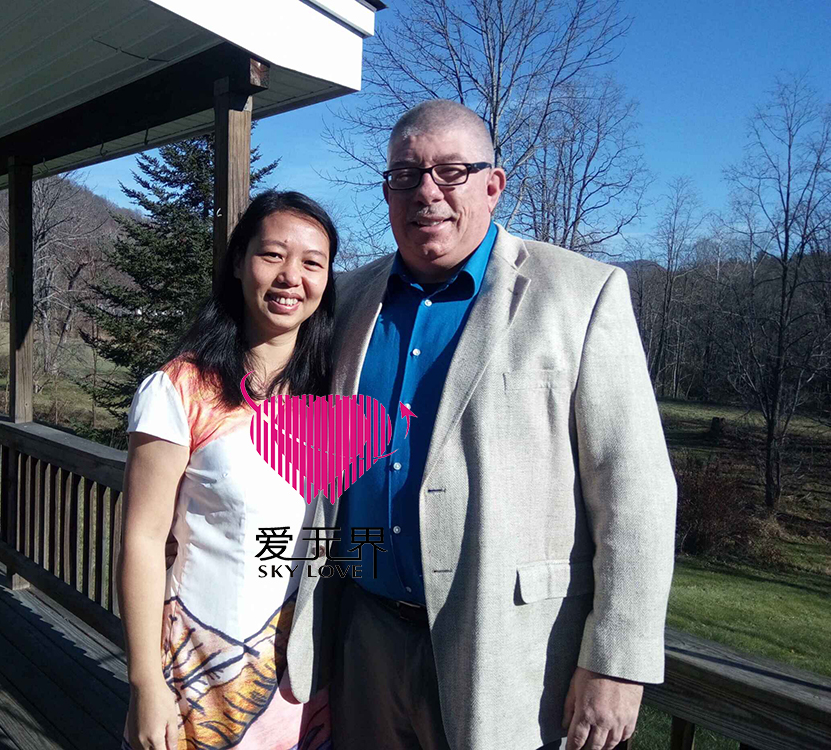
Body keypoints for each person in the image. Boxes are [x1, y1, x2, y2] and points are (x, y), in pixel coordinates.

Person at [285, 99, 677, 750]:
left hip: (506, 648)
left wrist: (617, 662)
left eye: (451, 172)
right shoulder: (345, 299)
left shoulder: (581, 294)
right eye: (406, 174)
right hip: (362, 639)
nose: (426, 192)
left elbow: (636, 491)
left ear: (493, 185)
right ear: (386, 191)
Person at [118, 190, 339, 750]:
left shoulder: (334, 393)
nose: (291, 277)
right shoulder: (180, 389)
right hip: (200, 675)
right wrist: (145, 683)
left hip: (309, 680)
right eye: (273, 255)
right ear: (239, 262)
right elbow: (143, 539)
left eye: (312, 263)